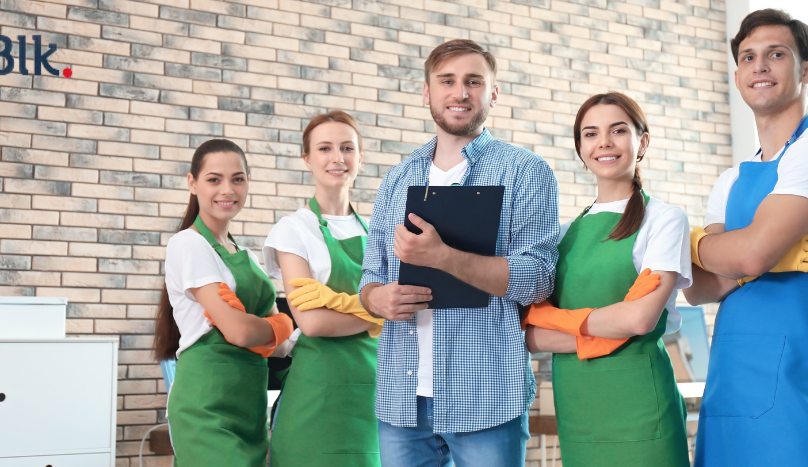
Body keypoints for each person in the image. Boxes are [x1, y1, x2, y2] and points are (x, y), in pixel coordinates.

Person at [358, 39, 560, 467]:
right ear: (427, 92)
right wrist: (377, 299)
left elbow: (539, 277)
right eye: (446, 81)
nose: (460, 92)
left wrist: (443, 256)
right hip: (402, 399)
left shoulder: (526, 171)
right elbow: (369, 278)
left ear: (493, 93)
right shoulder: (397, 179)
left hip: (486, 396)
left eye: (474, 81)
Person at [684, 9, 808, 467]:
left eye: (776, 54)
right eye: (748, 57)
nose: (759, 66)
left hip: (799, 376)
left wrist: (694, 244)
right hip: (729, 380)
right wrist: (727, 256)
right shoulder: (730, 180)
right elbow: (699, 287)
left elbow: (746, 256)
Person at [522, 92, 691, 467]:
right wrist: (609, 322)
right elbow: (530, 338)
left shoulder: (664, 220)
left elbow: (640, 319)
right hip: (579, 409)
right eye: (591, 133)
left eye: (618, 130)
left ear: (642, 141)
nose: (604, 143)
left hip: (642, 406)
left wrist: (553, 319)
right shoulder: (563, 234)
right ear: (580, 148)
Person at [153, 139, 295, 467]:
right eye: (214, 179)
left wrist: (274, 329)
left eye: (238, 179)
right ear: (193, 183)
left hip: (250, 407)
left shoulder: (246, 257)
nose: (227, 189)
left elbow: (281, 347)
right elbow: (240, 333)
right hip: (205, 407)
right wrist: (282, 322)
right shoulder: (188, 245)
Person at [263, 111, 384, 467]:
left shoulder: (378, 233)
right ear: (308, 158)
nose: (337, 158)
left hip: (375, 393)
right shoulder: (293, 230)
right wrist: (379, 312)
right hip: (316, 396)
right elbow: (312, 322)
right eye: (325, 148)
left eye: (347, 148)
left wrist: (351, 308)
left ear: (360, 157)